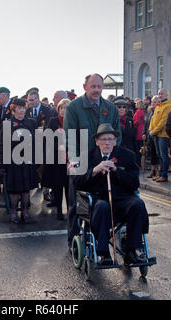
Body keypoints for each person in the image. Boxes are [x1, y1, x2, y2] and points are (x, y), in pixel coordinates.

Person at [74, 123, 149, 265]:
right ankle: (103, 253)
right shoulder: (86, 156)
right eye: (103, 139)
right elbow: (77, 182)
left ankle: (131, 250)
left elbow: (134, 183)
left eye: (110, 139)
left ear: (115, 141)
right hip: (98, 200)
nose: (107, 142)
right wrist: (95, 170)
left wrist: (116, 170)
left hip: (122, 200)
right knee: (102, 207)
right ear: (97, 141)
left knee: (138, 204)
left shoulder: (128, 155)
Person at [64, 73, 121, 250]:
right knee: (76, 203)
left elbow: (117, 135)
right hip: (81, 160)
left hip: (104, 161)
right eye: (93, 87)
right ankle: (73, 239)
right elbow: (70, 137)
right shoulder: (74, 107)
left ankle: (100, 238)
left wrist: (111, 158)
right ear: (85, 87)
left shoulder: (110, 108)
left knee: (103, 199)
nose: (96, 90)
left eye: (99, 87)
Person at [1, 98, 38, 224]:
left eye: (23, 108)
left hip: (28, 160)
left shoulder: (32, 123)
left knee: (26, 188)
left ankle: (25, 212)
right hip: (13, 161)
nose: (21, 110)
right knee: (14, 189)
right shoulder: (7, 124)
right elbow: (3, 145)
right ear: (13, 110)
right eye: (19, 108)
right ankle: (13, 213)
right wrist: (3, 164)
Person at [42, 98, 70, 220]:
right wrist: (59, 147)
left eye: (66, 108)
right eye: (62, 108)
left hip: (70, 158)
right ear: (58, 109)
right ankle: (59, 209)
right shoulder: (53, 121)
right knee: (58, 186)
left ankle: (70, 210)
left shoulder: (73, 121)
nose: (64, 110)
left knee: (69, 187)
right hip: (56, 157)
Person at [148, 88, 171, 182]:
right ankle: (160, 173)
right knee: (159, 155)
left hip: (162, 135)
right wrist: (150, 129)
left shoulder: (168, 106)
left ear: (166, 94)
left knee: (163, 155)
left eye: (162, 93)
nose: (160, 95)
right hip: (156, 134)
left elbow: (164, 121)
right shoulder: (158, 105)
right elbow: (153, 119)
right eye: (159, 93)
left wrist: (154, 131)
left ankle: (164, 175)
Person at [142, 96, 160, 178]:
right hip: (149, 135)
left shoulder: (159, 111)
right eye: (152, 102)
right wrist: (144, 133)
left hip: (156, 135)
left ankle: (159, 171)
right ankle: (153, 171)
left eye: (155, 102)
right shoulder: (149, 112)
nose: (153, 103)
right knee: (152, 154)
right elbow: (145, 123)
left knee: (158, 154)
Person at [133, 99, 146, 165]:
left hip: (138, 130)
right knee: (141, 146)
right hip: (142, 129)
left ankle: (138, 162)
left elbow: (136, 122)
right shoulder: (143, 112)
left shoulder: (138, 112)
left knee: (138, 148)